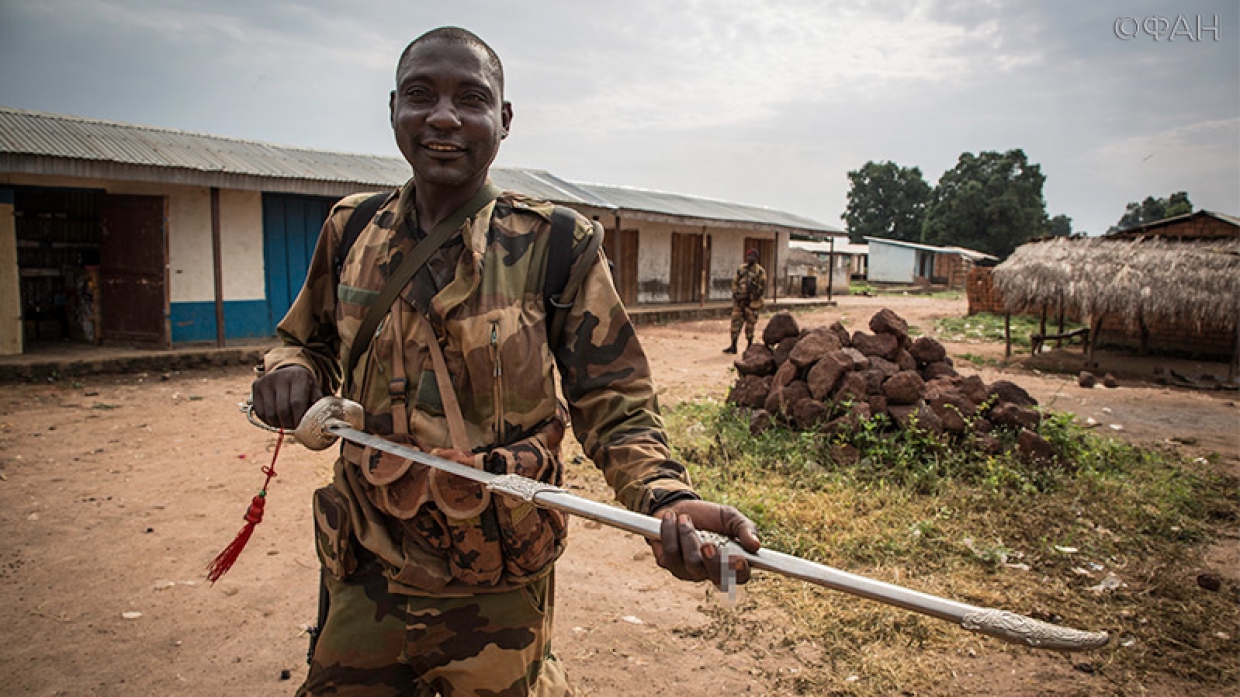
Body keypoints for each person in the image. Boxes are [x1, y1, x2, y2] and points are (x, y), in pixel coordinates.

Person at [250, 26, 761, 697]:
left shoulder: (556, 244)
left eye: (471, 97)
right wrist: (287, 373)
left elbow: (616, 403)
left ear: (504, 119)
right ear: (394, 110)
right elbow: (302, 341)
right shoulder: (351, 228)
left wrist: (667, 498)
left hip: (496, 580)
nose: (442, 115)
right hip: (365, 567)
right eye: (420, 94)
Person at [723, 249, 767, 354]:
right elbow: (734, 282)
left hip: (752, 304)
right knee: (735, 324)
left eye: (753, 256)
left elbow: (761, 288)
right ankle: (733, 345)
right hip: (739, 302)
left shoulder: (760, 272)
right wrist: (736, 294)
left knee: (750, 326)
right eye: (749, 256)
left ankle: (749, 346)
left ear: (757, 258)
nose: (751, 258)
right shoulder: (741, 269)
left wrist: (752, 293)